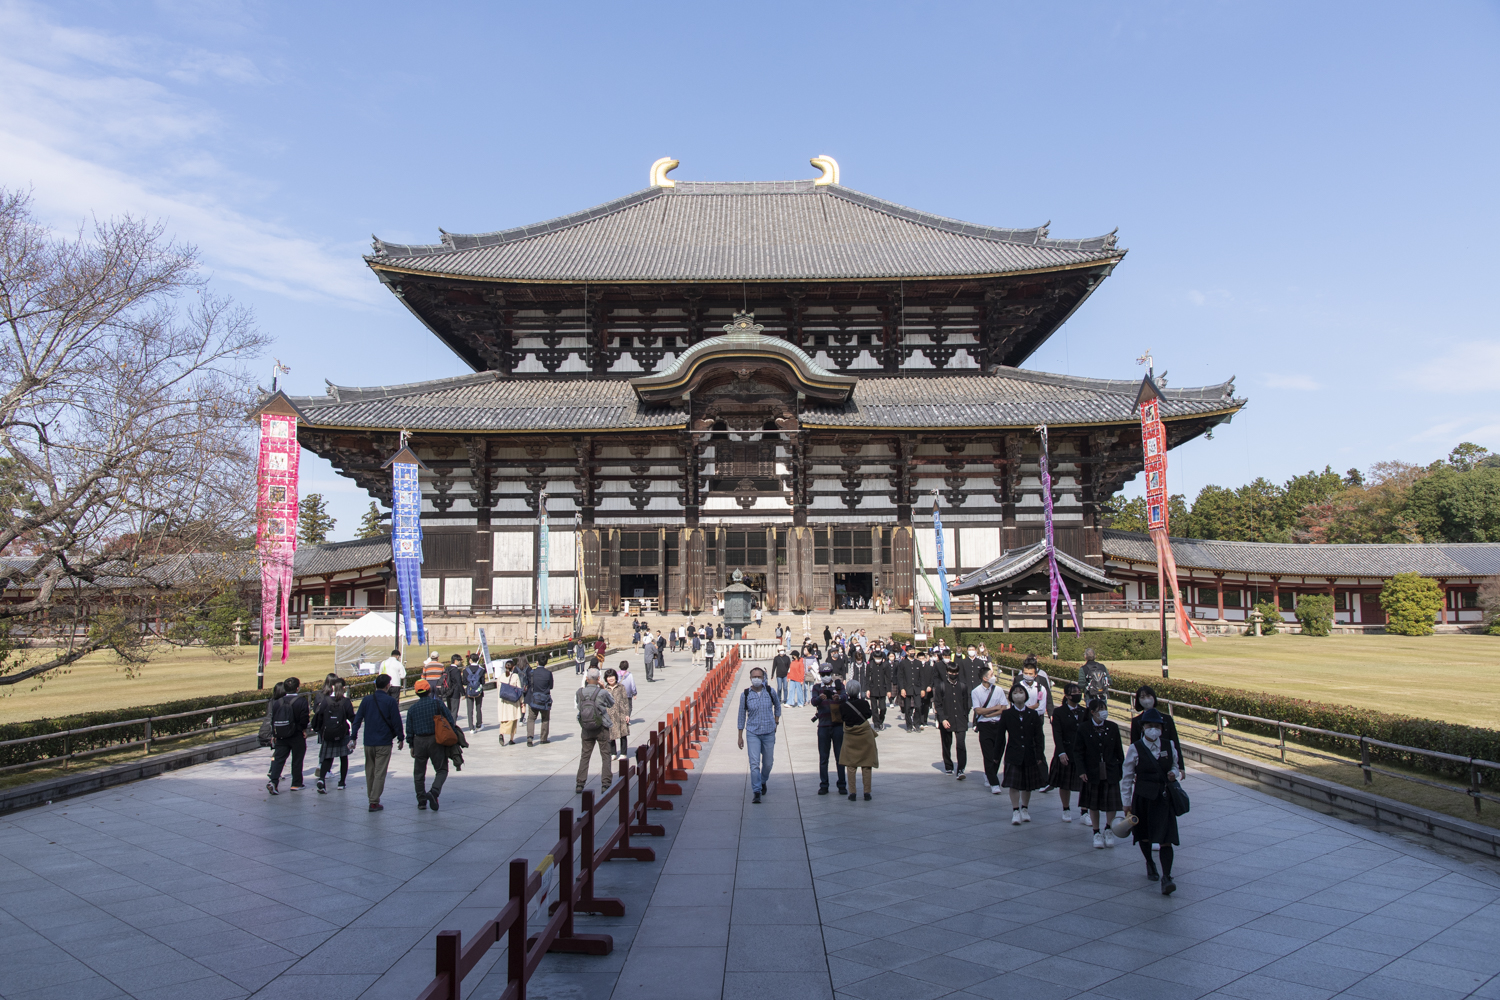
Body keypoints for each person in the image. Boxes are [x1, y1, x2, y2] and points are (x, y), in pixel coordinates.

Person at [1121, 708, 1183, 894]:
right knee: (1144, 835)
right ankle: (1149, 862)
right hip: (1143, 797)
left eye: (1156, 726)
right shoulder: (1135, 748)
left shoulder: (1168, 745)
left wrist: (1175, 774)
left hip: (1163, 798)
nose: (1153, 730)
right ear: (1143, 728)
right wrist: (1126, 802)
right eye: (1149, 726)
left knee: (1166, 839)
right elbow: (1127, 776)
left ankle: (1167, 876)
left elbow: (1175, 765)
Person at [349, 673, 405, 811]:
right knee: (380, 772)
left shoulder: (366, 700)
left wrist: (353, 737)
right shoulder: (390, 701)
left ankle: (372, 798)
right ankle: (374, 801)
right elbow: (396, 722)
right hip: (384, 742)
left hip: (368, 741)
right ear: (388, 686)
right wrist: (400, 737)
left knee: (370, 771)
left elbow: (357, 720)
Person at [1075, 697, 1124, 849]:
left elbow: (1119, 751)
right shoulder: (1084, 728)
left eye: (1104, 709)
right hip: (1092, 771)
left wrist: (1119, 768)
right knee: (1093, 804)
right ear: (1092, 712)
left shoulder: (1113, 727)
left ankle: (1108, 829)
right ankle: (1096, 832)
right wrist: (1082, 770)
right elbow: (1078, 751)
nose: (1103, 713)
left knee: (1111, 804)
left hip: (1110, 770)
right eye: (1099, 710)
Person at [999, 681, 1048, 824]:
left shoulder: (1032, 714)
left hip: (1029, 753)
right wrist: (997, 757)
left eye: (1021, 692)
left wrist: (1039, 754)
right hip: (1013, 753)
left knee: (1027, 784)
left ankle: (1025, 808)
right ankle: (1015, 810)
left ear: (1026, 696)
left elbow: (1039, 736)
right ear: (1011, 697)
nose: (1018, 695)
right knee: (1014, 784)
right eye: (1015, 693)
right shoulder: (1007, 714)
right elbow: (1001, 736)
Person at [406, 678, 458, 810]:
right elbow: (449, 720)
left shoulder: (412, 709)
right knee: (441, 769)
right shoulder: (438, 704)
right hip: (436, 740)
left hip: (419, 742)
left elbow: (409, 729)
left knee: (419, 773)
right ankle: (434, 791)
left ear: (417, 693)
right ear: (429, 690)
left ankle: (421, 801)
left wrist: (411, 745)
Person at [737, 665, 780, 803]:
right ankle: (756, 791)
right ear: (750, 678)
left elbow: (777, 706)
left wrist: (776, 721)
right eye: (754, 677)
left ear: (763, 678)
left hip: (768, 732)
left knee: (768, 763)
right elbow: (741, 716)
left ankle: (762, 781)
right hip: (753, 732)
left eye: (759, 677)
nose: (756, 679)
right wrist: (740, 736)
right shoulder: (745, 694)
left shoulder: (770, 691)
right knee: (754, 763)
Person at [1049, 682, 1086, 822]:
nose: (1077, 694)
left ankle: (1085, 811)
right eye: (1074, 692)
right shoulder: (1059, 712)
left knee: (1084, 781)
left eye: (1078, 691)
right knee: (1065, 783)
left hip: (1081, 753)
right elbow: (1057, 734)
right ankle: (1066, 809)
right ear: (1067, 695)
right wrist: (1061, 752)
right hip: (1066, 750)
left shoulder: (1084, 711)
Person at [266, 677, 310, 795]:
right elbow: (304, 718)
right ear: (297, 688)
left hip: (281, 735)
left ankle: (274, 781)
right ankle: (296, 783)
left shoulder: (278, 702)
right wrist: (304, 730)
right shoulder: (301, 701)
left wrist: (274, 734)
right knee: (297, 759)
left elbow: (273, 719)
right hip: (296, 734)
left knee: (279, 759)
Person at [575, 667, 616, 794]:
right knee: (605, 755)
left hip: (586, 727)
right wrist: (603, 689)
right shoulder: (602, 693)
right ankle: (605, 783)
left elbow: (578, 705)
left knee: (585, 755)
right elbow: (611, 703)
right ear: (599, 679)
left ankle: (580, 783)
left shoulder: (580, 692)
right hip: (601, 727)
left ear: (587, 679)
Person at [810, 664, 847, 796]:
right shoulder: (817, 687)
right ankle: (824, 784)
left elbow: (846, 697)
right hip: (823, 726)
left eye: (828, 674)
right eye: (823, 675)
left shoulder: (838, 686)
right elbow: (813, 701)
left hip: (837, 725)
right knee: (823, 757)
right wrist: (820, 698)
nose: (825, 677)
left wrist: (839, 697)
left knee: (840, 757)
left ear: (831, 673)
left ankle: (842, 784)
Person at [312, 677, 355, 793]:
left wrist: (320, 730)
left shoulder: (326, 700)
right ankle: (341, 782)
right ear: (344, 688)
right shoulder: (346, 701)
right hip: (342, 732)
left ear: (332, 688)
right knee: (343, 758)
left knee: (327, 757)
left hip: (328, 732)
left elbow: (319, 715)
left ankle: (322, 779)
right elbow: (352, 717)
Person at [839, 679, 879, 800]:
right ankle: (867, 792)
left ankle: (852, 793)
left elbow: (843, 718)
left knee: (851, 766)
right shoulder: (864, 704)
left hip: (850, 736)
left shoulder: (843, 706)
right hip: (865, 736)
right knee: (866, 765)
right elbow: (868, 715)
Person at [1129, 685, 1184, 773]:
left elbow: (1175, 741)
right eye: (1142, 697)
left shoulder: (1167, 719)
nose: (1146, 700)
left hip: (1165, 761)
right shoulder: (1137, 721)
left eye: (1148, 696)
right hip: (1145, 764)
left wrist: (1180, 766)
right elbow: (1134, 744)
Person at [933, 657, 970, 779]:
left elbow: (966, 703)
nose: (953, 675)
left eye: (955, 673)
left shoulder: (963, 686)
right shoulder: (941, 686)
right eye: (951, 673)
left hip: (960, 719)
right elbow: (938, 704)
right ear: (947, 673)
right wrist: (942, 719)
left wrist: (965, 716)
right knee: (946, 743)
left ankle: (961, 769)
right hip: (947, 719)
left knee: (961, 744)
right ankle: (948, 766)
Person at [972, 665, 1006, 793]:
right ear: (985, 678)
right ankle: (994, 782)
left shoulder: (999, 690)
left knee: (998, 753)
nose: (994, 677)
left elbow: (1003, 707)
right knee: (988, 754)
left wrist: (990, 713)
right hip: (984, 725)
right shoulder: (976, 691)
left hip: (998, 724)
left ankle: (990, 773)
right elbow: (978, 710)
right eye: (991, 675)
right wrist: (994, 708)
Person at [607, 662, 637, 760]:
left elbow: (625, 701)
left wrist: (627, 714)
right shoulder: (605, 689)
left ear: (616, 677)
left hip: (621, 713)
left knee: (623, 734)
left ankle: (623, 753)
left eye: (612, 676)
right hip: (609, 714)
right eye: (608, 677)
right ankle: (613, 753)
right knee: (610, 735)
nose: (611, 678)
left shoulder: (621, 687)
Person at [525, 655, 554, 746]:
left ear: (537, 662)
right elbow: (551, 686)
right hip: (544, 699)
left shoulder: (532, 673)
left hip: (534, 699)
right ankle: (543, 738)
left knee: (531, 718)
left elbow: (528, 684)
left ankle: (530, 737)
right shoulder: (548, 673)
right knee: (545, 719)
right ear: (546, 662)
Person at [495, 658, 523, 745]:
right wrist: (522, 702)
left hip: (503, 701)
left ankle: (501, 733)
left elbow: (498, 690)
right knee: (513, 719)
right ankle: (511, 738)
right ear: (513, 667)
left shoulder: (500, 677)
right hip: (512, 701)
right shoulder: (515, 676)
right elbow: (519, 690)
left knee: (504, 720)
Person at [865, 642, 891, 730]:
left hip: (882, 689)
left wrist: (889, 690)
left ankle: (881, 720)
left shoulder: (885, 665)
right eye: (876, 658)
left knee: (883, 708)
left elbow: (888, 678)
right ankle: (876, 724)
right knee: (874, 708)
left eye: (879, 658)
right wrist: (867, 689)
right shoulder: (870, 665)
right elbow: (867, 677)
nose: (878, 659)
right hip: (873, 688)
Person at [462, 656, 486, 732]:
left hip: (469, 691)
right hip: (478, 691)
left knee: (470, 709)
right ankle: (479, 724)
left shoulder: (466, 670)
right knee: (478, 708)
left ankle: (471, 728)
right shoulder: (481, 670)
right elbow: (483, 682)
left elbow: (464, 682)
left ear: (470, 660)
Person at [444, 655, 465, 721]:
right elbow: (459, 683)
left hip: (447, 691)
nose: (460, 662)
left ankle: (449, 726)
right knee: (454, 711)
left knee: (449, 710)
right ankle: (453, 726)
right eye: (459, 661)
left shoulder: (447, 669)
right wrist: (463, 693)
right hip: (455, 692)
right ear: (455, 661)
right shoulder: (456, 671)